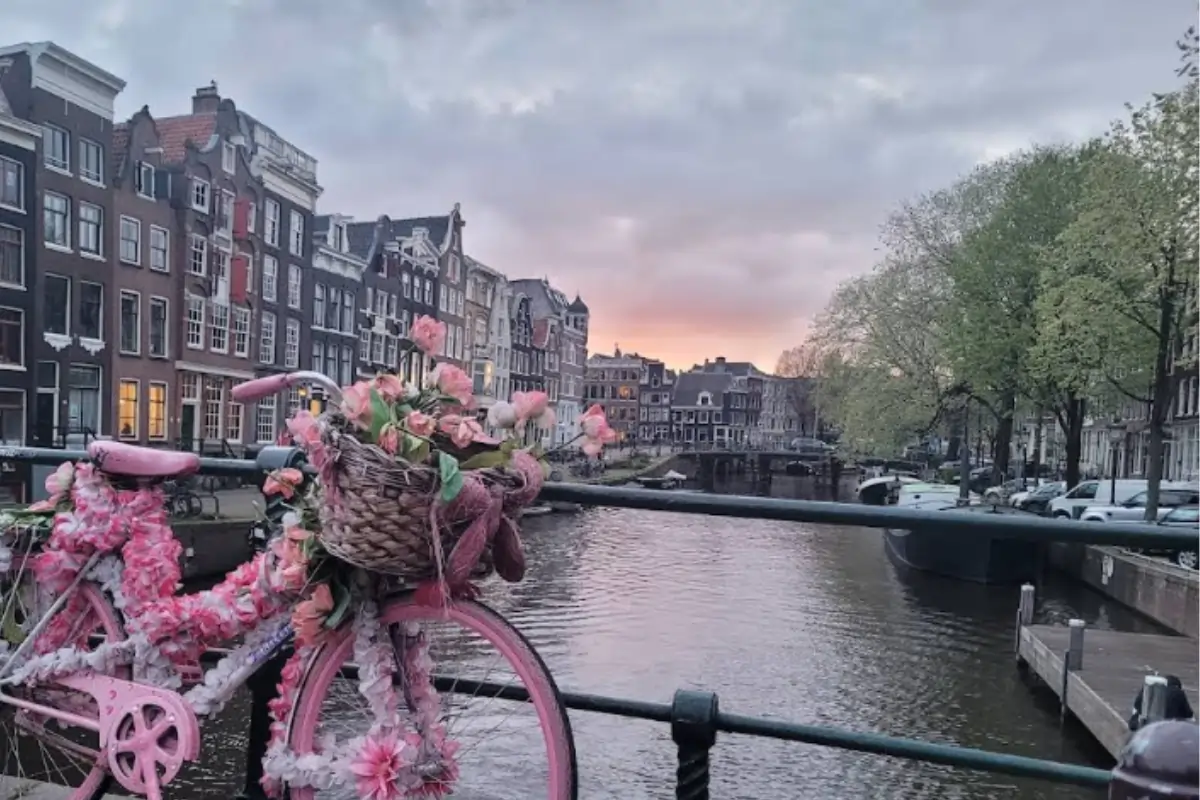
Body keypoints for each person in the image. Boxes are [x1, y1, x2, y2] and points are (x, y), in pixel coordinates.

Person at [1129, 675, 1194, 731]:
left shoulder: (1147, 689)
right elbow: (1189, 715)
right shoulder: (1178, 692)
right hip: (1166, 728)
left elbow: (1136, 707)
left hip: (1144, 727)